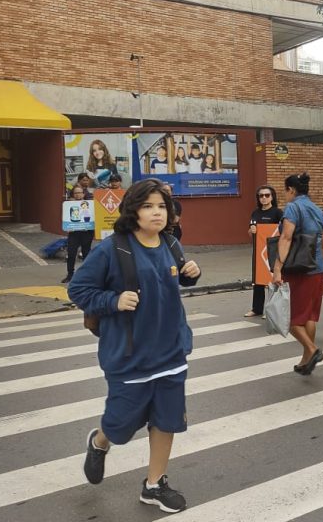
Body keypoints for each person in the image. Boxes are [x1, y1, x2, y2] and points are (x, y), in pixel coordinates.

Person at [67, 178, 201, 514]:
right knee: (121, 424)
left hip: (171, 352)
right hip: (130, 357)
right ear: (133, 210)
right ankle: (100, 442)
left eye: (162, 206)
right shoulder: (111, 249)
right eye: (148, 206)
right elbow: (79, 291)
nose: (157, 213)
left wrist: (190, 273)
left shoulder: (171, 243)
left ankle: (154, 485)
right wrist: (113, 300)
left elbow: (171, 280)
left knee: (167, 421)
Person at [272, 172, 323, 375]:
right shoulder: (319, 211)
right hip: (318, 269)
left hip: (299, 269)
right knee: (310, 316)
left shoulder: (293, 208)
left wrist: (277, 268)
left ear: (291, 190)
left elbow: (286, 238)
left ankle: (313, 350)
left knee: (292, 319)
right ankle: (306, 360)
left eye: (285, 190)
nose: (285, 195)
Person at [244, 185, 283, 318]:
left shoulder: (278, 213)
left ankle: (271, 309)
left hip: (273, 251)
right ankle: (256, 309)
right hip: (258, 251)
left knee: (272, 280)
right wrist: (251, 231)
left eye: (267, 195)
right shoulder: (255, 213)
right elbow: (250, 232)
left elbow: (283, 231)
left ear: (272, 197)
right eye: (261, 196)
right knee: (258, 280)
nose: (264, 198)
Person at [62, 186, 93, 284]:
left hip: (87, 232)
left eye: (80, 192)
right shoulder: (68, 205)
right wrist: (67, 227)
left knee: (86, 254)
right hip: (74, 233)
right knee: (71, 254)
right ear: (73, 195)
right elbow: (66, 219)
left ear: (83, 194)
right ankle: (70, 274)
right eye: (76, 193)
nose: (78, 195)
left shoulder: (90, 205)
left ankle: (87, 276)